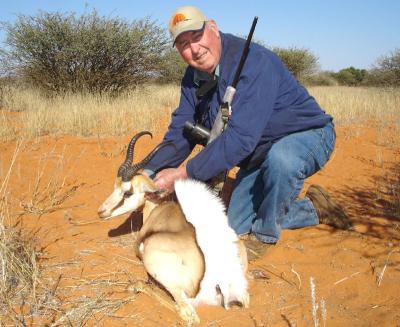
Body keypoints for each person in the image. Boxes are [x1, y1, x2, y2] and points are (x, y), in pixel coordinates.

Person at [143, 6, 352, 248]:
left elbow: (241, 138)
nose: (195, 49)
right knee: (235, 225)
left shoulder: (254, 62)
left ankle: (265, 237)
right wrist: (148, 172)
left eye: (197, 37)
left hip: (306, 136)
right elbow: (183, 128)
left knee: (282, 160)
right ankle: (314, 209)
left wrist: (183, 174)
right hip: (259, 150)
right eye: (183, 44)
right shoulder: (193, 76)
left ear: (213, 27)